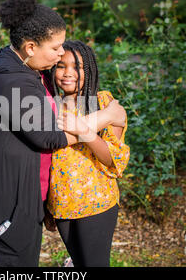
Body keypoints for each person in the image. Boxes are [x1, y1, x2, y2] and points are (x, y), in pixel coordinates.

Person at [0, 0, 127, 267]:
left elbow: (112, 153)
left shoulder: (29, 67)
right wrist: (105, 117)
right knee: (14, 262)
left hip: (36, 191)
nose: (61, 54)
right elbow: (50, 137)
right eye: (56, 48)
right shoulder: (11, 81)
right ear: (31, 47)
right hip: (6, 194)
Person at [46, 40, 130, 267]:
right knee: (79, 262)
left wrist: (84, 131)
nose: (68, 73)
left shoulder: (103, 102)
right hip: (62, 204)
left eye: (77, 67)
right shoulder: (50, 106)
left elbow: (114, 158)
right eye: (61, 65)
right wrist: (45, 206)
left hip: (96, 203)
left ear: (89, 70)